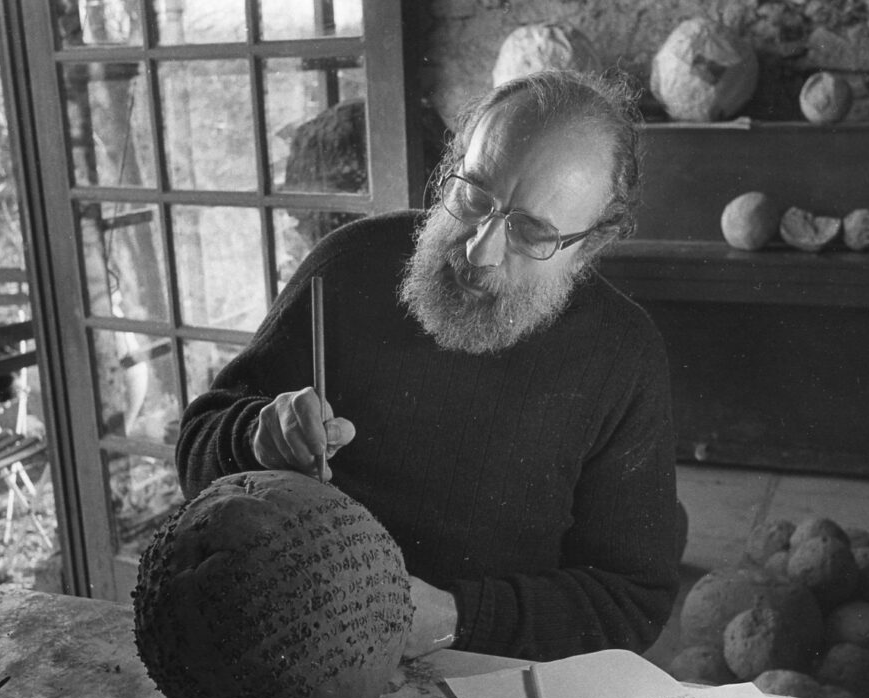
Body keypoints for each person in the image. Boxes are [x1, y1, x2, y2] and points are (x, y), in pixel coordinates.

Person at [177, 70, 687, 663]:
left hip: (479, 677)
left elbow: (629, 602)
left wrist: (456, 618)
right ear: (453, 164)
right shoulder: (349, 266)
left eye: (531, 233)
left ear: (591, 243)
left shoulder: (621, 356)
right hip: (280, 644)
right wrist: (253, 439)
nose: (479, 250)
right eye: (473, 197)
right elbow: (195, 451)